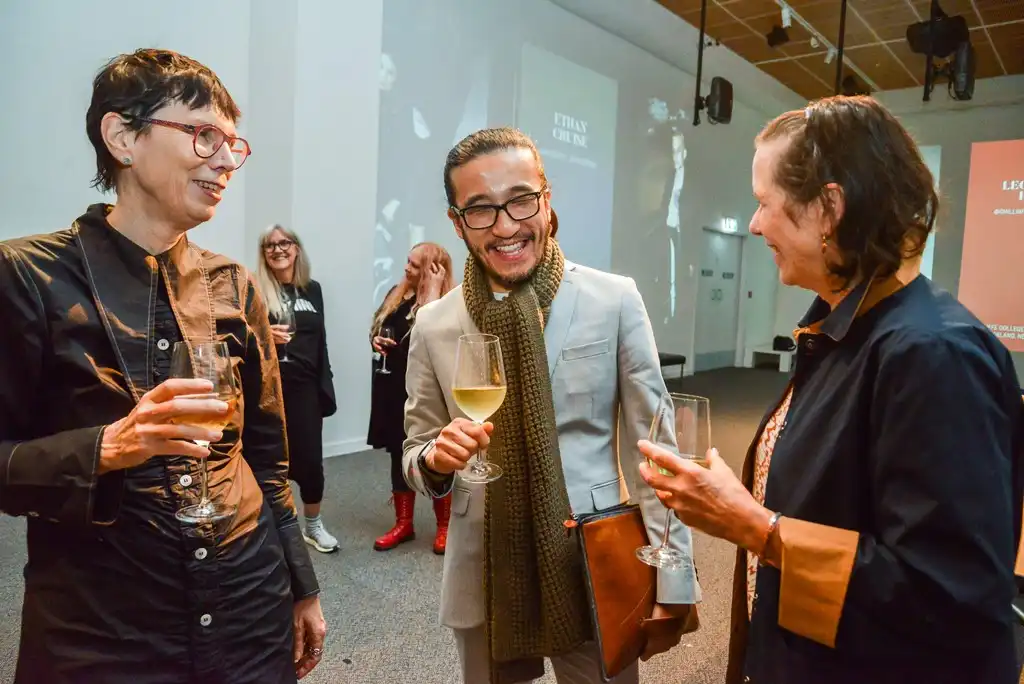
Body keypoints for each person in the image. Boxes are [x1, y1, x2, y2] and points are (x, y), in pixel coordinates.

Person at [638, 95, 1023, 684]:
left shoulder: (933, 355)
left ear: (829, 208)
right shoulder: (845, 330)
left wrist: (756, 528)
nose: (754, 224)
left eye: (764, 202)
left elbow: (951, 597)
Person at [0, 49, 326, 683]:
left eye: (233, 145)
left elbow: (267, 459)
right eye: (204, 135)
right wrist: (106, 448)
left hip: (249, 606)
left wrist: (301, 586)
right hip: (104, 630)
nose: (226, 161)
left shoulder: (234, 284)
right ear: (123, 137)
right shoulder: (28, 277)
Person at [402, 127, 701, 683]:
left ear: (546, 198)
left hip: (590, 560)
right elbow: (415, 450)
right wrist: (434, 460)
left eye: (521, 199)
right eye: (481, 209)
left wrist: (674, 572)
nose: (506, 226)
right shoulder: (434, 324)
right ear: (457, 222)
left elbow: (657, 450)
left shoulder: (612, 300)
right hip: (485, 564)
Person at [257, 224, 339, 554]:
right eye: (270, 245)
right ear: (263, 253)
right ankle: (269, 528)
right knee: (269, 460)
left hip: (305, 390)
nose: (278, 249)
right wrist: (264, 335)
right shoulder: (255, 289)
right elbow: (240, 339)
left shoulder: (312, 289)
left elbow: (321, 340)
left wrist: (325, 384)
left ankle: (313, 526)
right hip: (269, 389)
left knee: (310, 462)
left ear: (296, 248)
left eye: (284, 243)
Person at [368, 242, 453, 552]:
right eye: (408, 261)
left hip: (424, 391)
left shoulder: (444, 303)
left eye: (415, 265)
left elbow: (432, 340)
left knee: (438, 455)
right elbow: (379, 328)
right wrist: (375, 340)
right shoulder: (397, 293)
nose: (407, 268)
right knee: (398, 452)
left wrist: (432, 292)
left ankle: (445, 526)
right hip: (392, 387)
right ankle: (404, 523)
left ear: (433, 270)